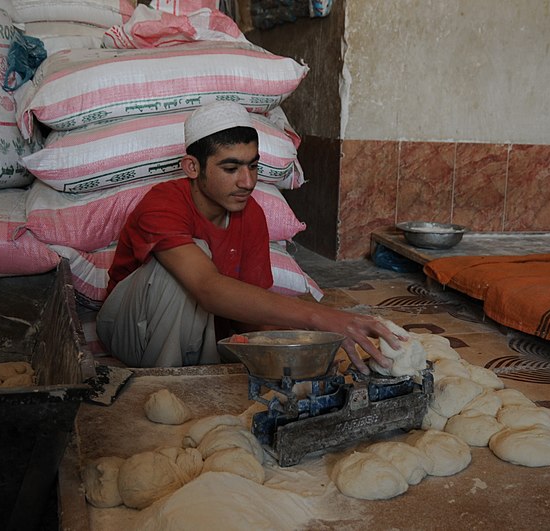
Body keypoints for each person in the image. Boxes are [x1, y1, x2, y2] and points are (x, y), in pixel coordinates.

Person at [96, 101, 401, 372]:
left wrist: (303, 347)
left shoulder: (251, 213)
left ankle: (198, 371)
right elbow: (208, 287)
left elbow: (251, 310)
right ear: (192, 167)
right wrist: (321, 317)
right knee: (182, 268)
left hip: (204, 333)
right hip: (133, 330)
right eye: (231, 168)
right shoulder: (162, 204)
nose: (247, 181)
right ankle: (166, 382)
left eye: (253, 166)